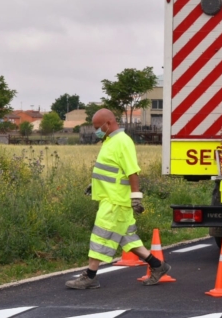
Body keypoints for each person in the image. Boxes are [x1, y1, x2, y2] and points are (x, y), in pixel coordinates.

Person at [65, 109, 170, 289]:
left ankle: (90, 276)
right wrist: (95, 185)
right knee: (128, 239)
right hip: (113, 198)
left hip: (116, 201)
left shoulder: (122, 141)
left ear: (109, 123)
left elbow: (132, 171)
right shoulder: (109, 140)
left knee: (100, 236)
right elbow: (111, 171)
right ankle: (158, 266)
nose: (96, 130)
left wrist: (136, 197)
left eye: (98, 127)